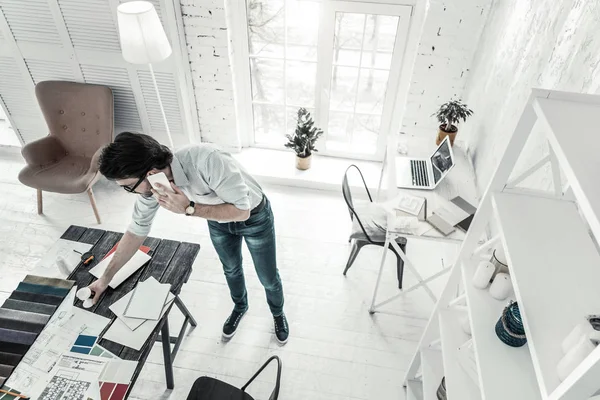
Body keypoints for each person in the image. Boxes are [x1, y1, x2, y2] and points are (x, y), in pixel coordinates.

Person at [87, 132, 289, 344]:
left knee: (267, 276)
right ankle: (240, 307)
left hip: (254, 216)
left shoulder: (207, 160)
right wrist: (104, 280)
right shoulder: (153, 187)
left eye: (128, 187)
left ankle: (277, 313)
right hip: (217, 220)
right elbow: (136, 230)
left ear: (150, 173)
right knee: (231, 269)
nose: (130, 192)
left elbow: (242, 211)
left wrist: (189, 208)